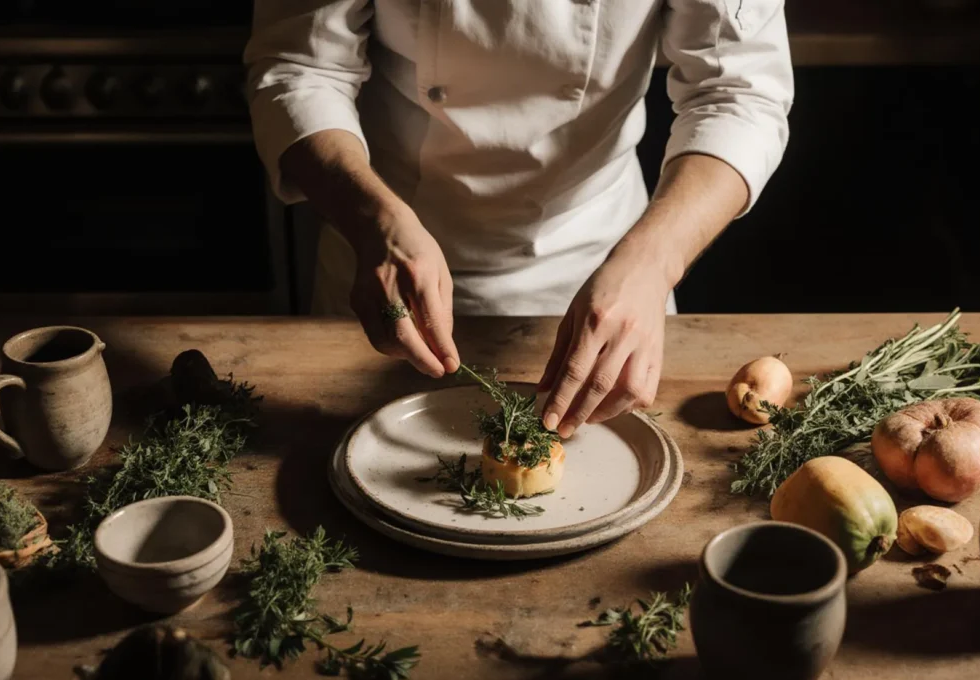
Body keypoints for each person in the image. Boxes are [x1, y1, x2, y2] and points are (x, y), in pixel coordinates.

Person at [245, 1, 792, 437]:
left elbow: (738, 93)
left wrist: (652, 263)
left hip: (601, 261)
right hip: (382, 248)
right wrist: (371, 217)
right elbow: (300, 68)